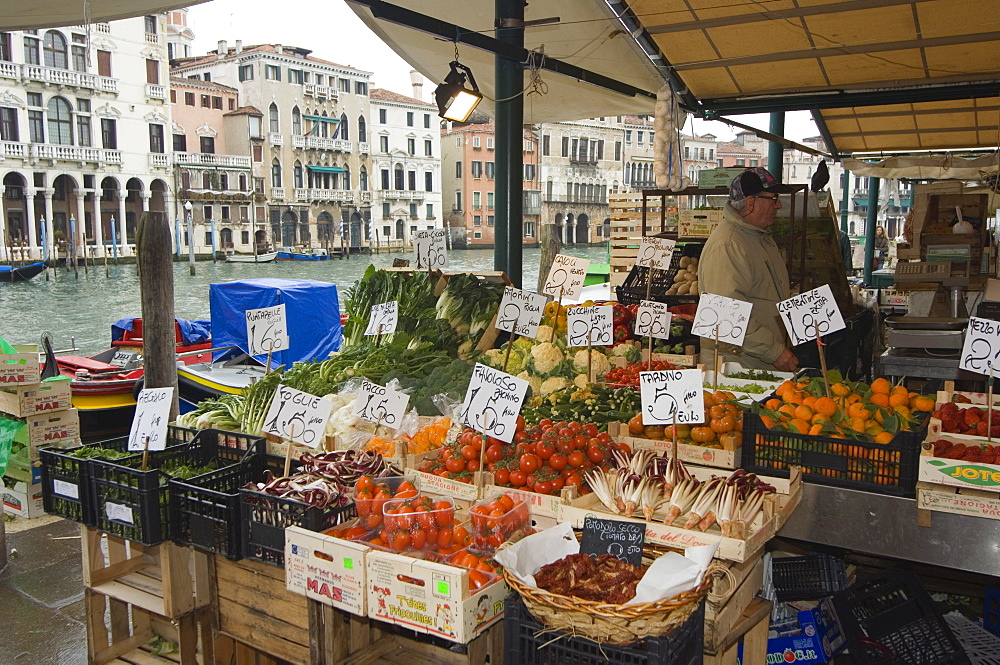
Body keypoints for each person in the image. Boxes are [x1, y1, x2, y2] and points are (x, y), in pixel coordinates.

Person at [698, 167, 799, 372]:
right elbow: (725, 313)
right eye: (773, 198)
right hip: (736, 367)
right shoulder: (729, 245)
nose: (778, 205)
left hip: (757, 362)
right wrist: (774, 351)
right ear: (751, 203)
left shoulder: (758, 238)